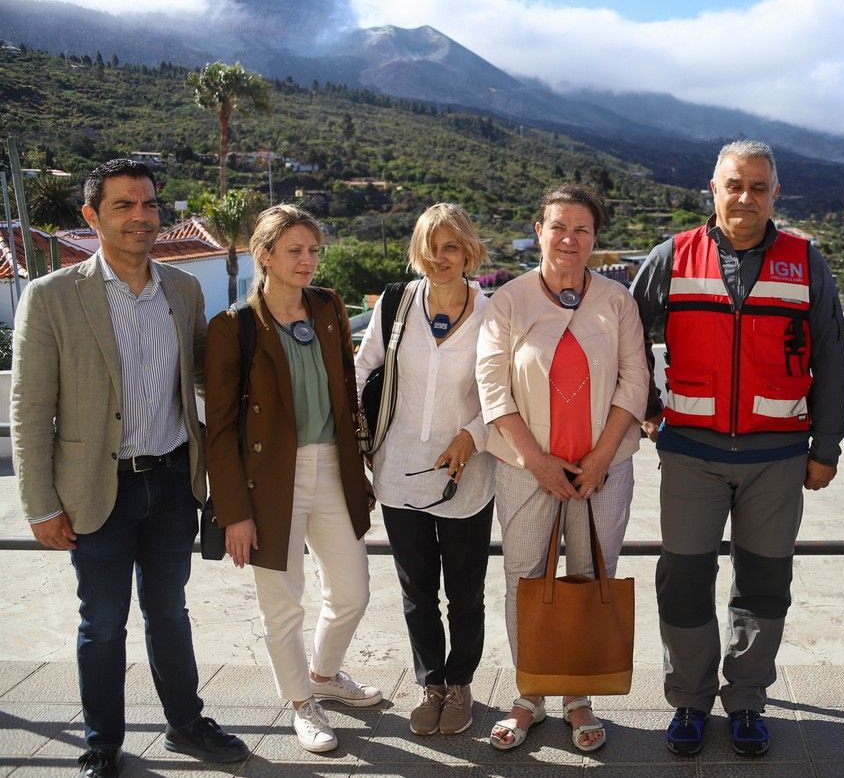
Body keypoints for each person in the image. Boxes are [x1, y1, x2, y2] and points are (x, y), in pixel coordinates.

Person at [11, 158, 248, 778]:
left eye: (148, 205)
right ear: (92, 217)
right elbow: (31, 409)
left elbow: (204, 376)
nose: (141, 218)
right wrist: (40, 504)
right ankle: (101, 743)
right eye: (123, 206)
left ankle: (186, 723)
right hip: (96, 489)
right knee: (103, 620)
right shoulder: (51, 297)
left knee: (169, 610)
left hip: (172, 481)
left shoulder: (183, 289)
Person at [630, 139, 844, 758]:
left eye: (759, 187)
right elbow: (623, 332)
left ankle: (748, 698)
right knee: (684, 583)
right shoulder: (672, 256)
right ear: (714, 188)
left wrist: (824, 447)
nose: (746, 198)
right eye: (735, 185)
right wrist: (647, 408)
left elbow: (832, 353)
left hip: (775, 459)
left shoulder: (806, 261)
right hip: (691, 455)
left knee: (764, 584)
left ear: (775, 194)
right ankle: (691, 701)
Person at [476, 184, 648, 753]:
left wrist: (598, 460)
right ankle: (530, 693)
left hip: (603, 469)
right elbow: (492, 387)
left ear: (595, 238)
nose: (570, 238)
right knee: (524, 579)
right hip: (527, 469)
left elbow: (635, 380)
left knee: (589, 575)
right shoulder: (509, 300)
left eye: (582, 229)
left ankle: (578, 694)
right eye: (559, 227)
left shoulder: (617, 300)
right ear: (539, 231)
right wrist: (537, 461)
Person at [205, 204, 381, 754]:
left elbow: (347, 394)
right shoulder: (234, 327)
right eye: (294, 251)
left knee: (352, 590)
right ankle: (301, 703)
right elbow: (221, 428)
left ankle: (324, 676)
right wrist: (232, 509)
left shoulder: (328, 307)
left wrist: (361, 467)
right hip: (267, 479)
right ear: (265, 256)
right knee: (283, 604)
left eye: (312, 250)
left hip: (331, 465)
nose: (307, 261)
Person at [353, 203, 495, 736]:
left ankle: (461, 685)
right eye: (432, 247)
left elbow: (508, 391)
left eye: (452, 246)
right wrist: (361, 443)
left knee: (464, 592)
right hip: (398, 471)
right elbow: (362, 369)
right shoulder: (396, 304)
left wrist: (472, 435)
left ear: (468, 251)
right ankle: (431, 683)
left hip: (468, 474)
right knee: (417, 591)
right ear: (419, 251)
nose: (442, 257)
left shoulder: (492, 311)